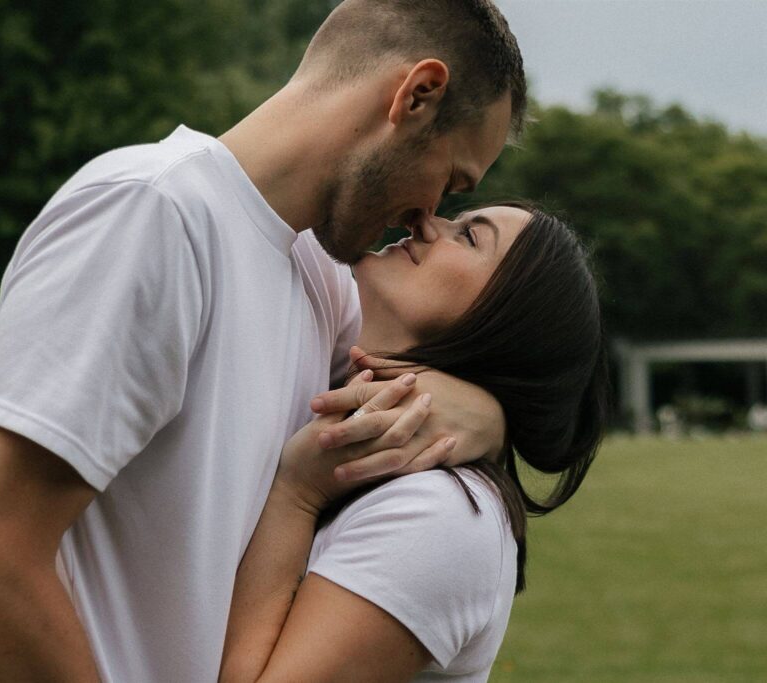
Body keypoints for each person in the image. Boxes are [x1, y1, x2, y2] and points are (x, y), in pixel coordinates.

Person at [0, 1, 528, 681]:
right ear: (416, 96)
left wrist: (489, 414)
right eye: (450, 181)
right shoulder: (150, 216)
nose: (429, 217)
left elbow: (428, 383)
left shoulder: (322, 277)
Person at [220, 204, 609, 682]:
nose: (424, 219)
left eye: (469, 236)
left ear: (505, 320)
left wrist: (296, 493)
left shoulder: (443, 515)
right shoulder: (305, 375)